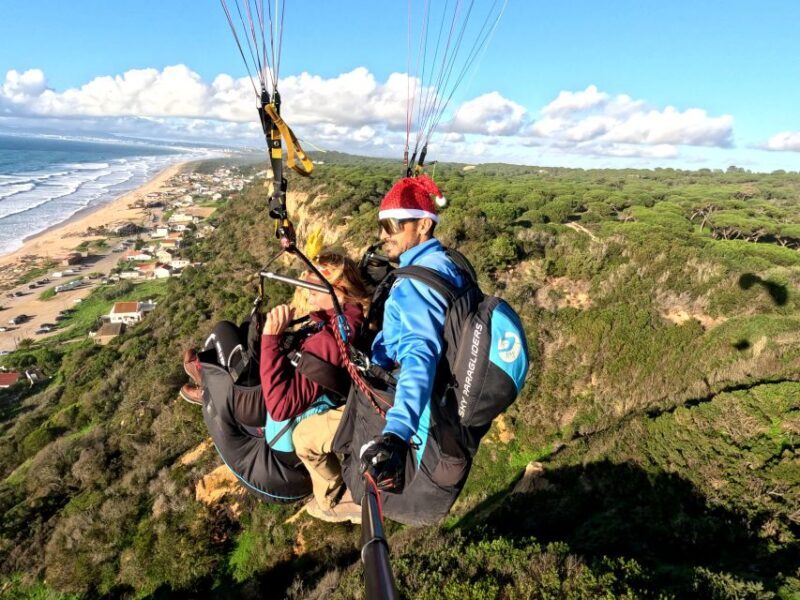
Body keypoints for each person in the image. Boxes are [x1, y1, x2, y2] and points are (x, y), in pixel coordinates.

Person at [180, 251, 368, 515]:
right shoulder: (339, 319)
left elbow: (280, 407)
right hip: (276, 419)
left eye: (312, 279)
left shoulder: (330, 338)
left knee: (221, 333)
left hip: (279, 439)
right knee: (234, 336)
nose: (305, 285)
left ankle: (208, 386)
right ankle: (209, 384)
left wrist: (271, 338)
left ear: (338, 288)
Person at [358, 175, 464, 493]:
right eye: (383, 226)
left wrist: (398, 433)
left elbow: (419, 352)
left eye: (393, 226)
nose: (384, 236)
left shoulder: (417, 282)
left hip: (404, 395)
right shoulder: (444, 262)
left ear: (422, 226)